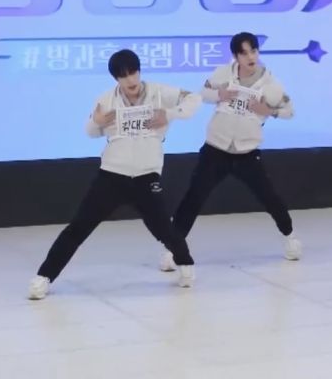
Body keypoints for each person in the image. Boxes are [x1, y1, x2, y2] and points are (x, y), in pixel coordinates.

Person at [28, 49, 199, 300]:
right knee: (78, 227)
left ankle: (185, 263)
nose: (130, 80)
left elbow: (193, 98)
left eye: (133, 73)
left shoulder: (160, 93)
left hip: (146, 175)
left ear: (139, 71)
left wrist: (169, 114)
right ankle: (44, 276)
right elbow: (91, 131)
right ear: (116, 79)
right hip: (112, 175)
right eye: (123, 76)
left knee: (164, 229)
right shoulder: (106, 99)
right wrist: (96, 121)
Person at [161, 32, 300, 273]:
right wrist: (220, 95)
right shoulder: (223, 73)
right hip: (216, 148)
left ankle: (290, 236)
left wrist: (268, 110)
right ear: (236, 56)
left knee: (269, 196)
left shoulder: (271, 84)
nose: (250, 57)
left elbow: (289, 111)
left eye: (253, 51)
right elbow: (203, 94)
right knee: (193, 198)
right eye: (244, 53)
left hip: (247, 152)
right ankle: (175, 250)